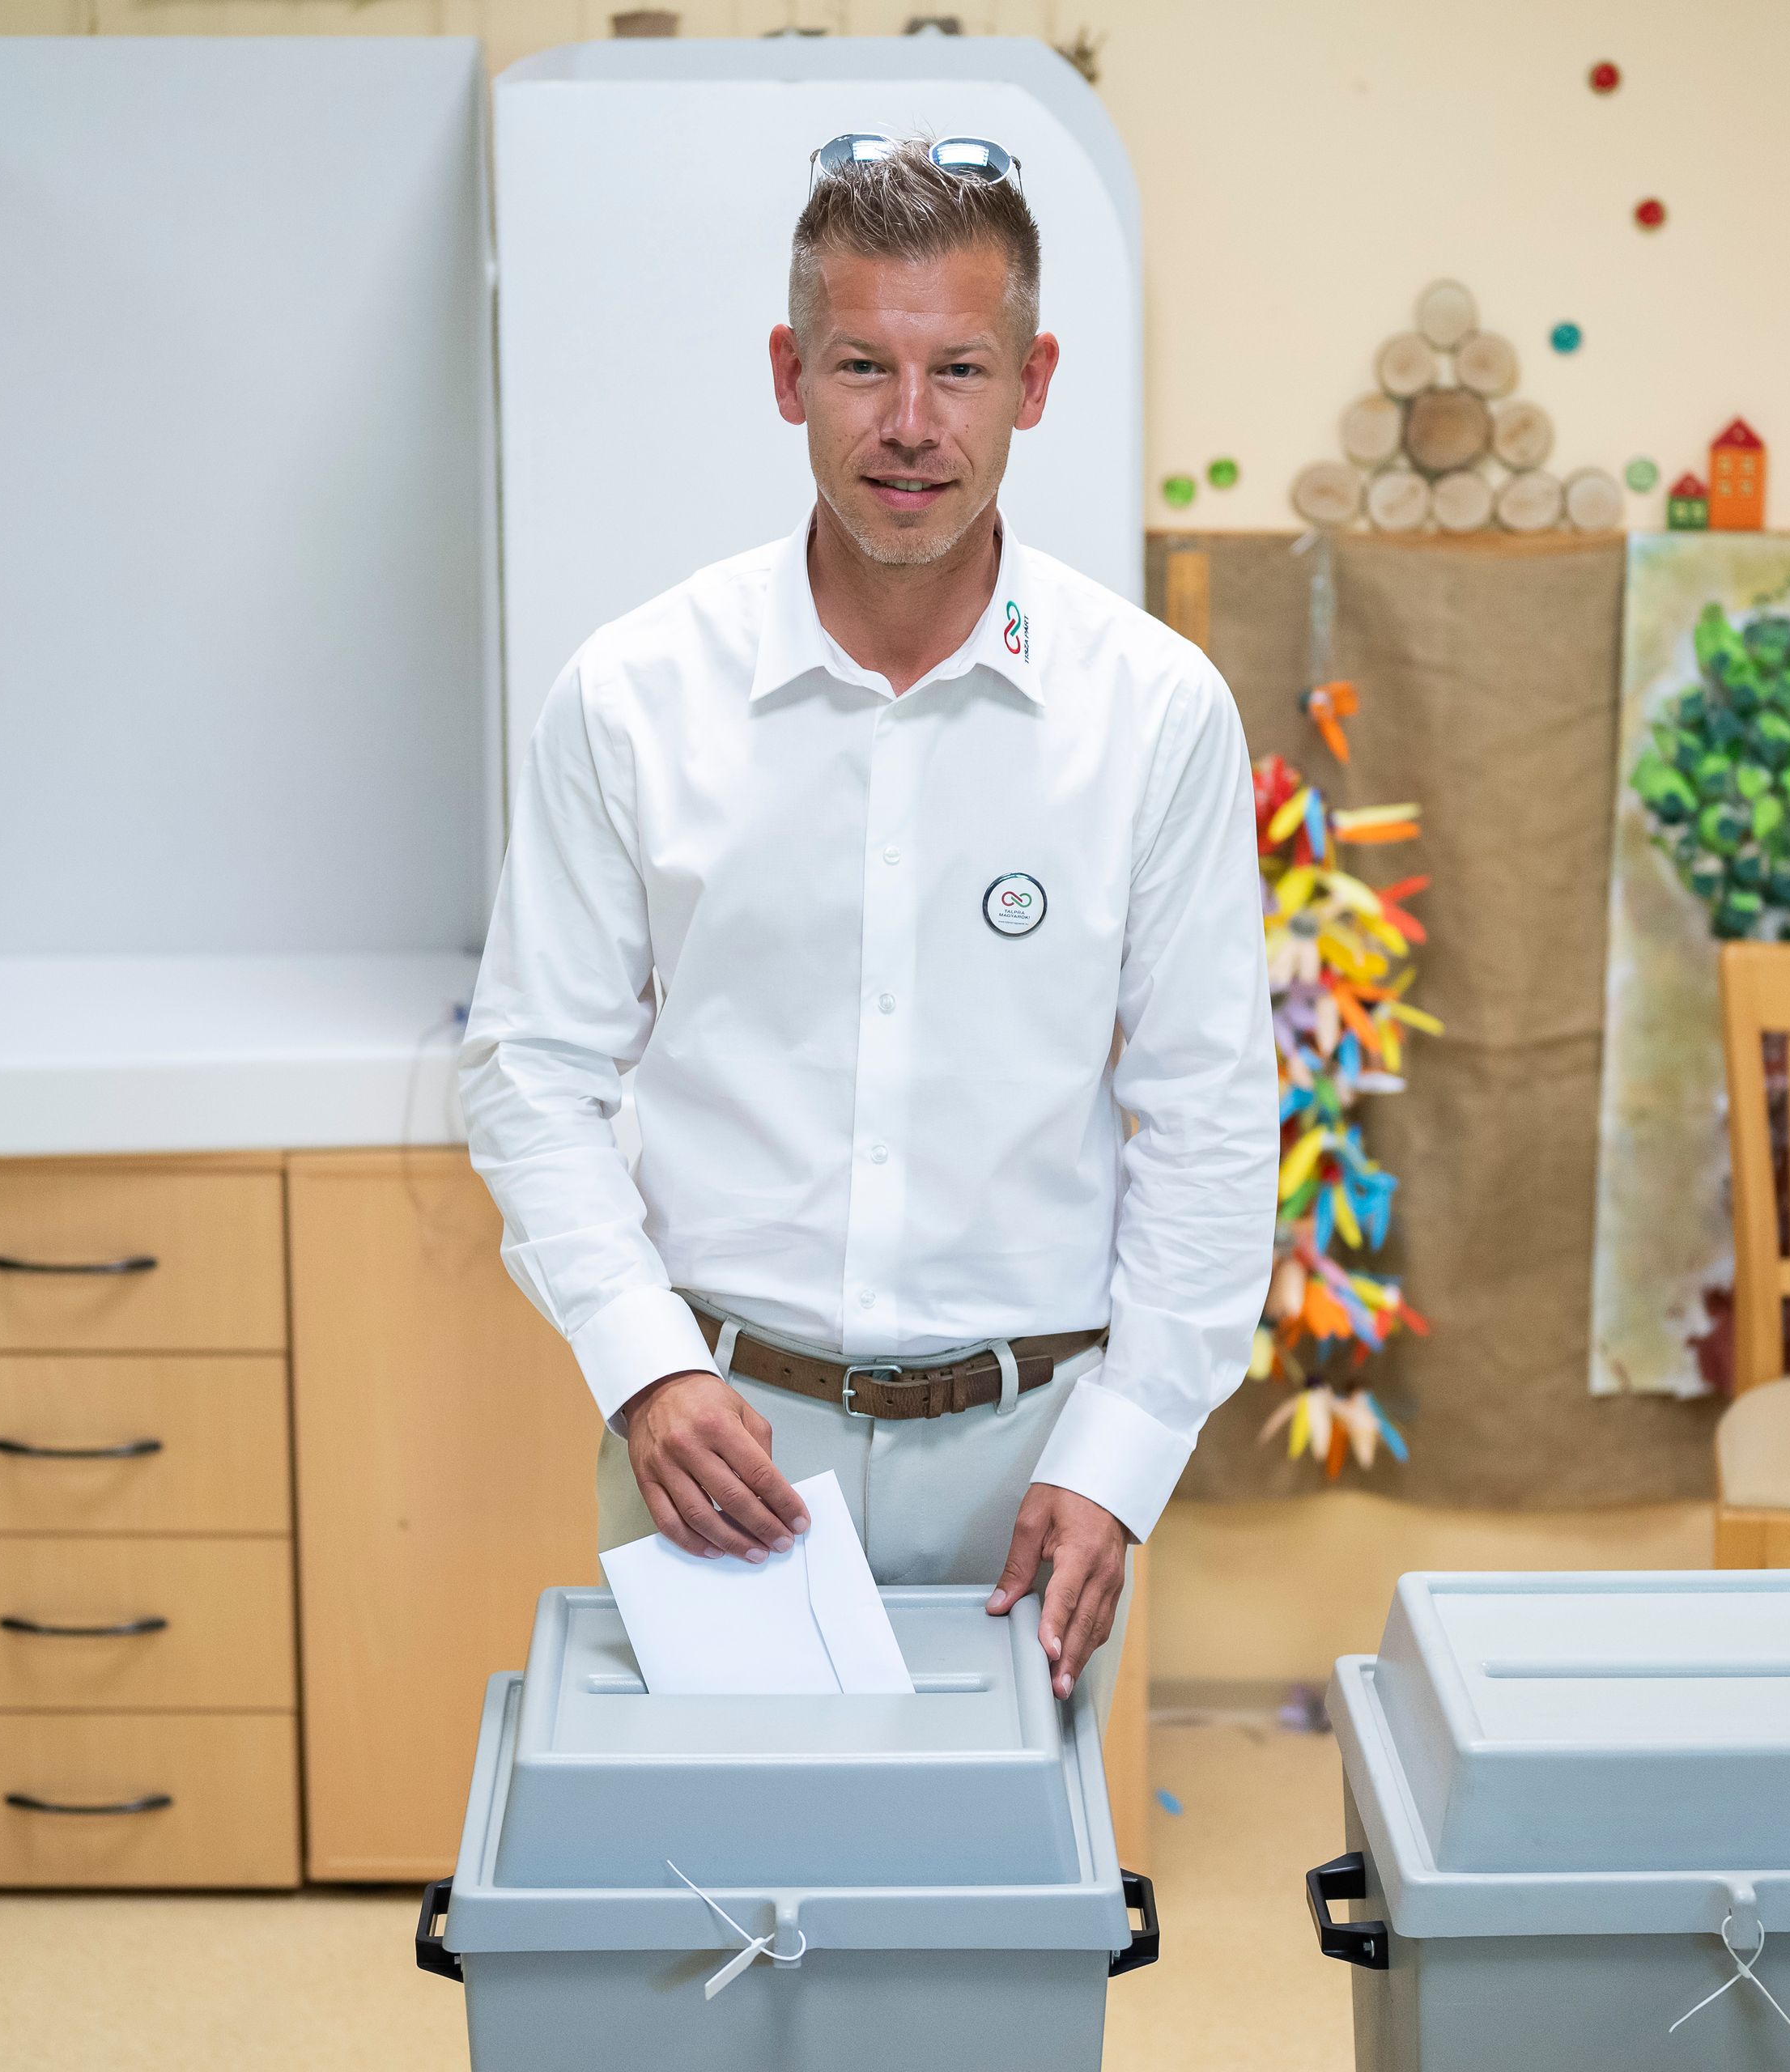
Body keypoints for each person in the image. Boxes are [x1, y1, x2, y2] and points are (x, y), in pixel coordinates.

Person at [458, 134, 1276, 1705]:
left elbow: (1211, 1111)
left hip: (1033, 1460)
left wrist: (1121, 1453)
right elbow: (532, 1070)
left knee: (992, 1935)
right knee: (714, 1921)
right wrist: (644, 1364)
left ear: (1034, 382)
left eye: (960, 368)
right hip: (717, 1437)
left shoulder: (1152, 710)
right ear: (789, 373)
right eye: (862, 365)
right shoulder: (634, 697)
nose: (911, 425)